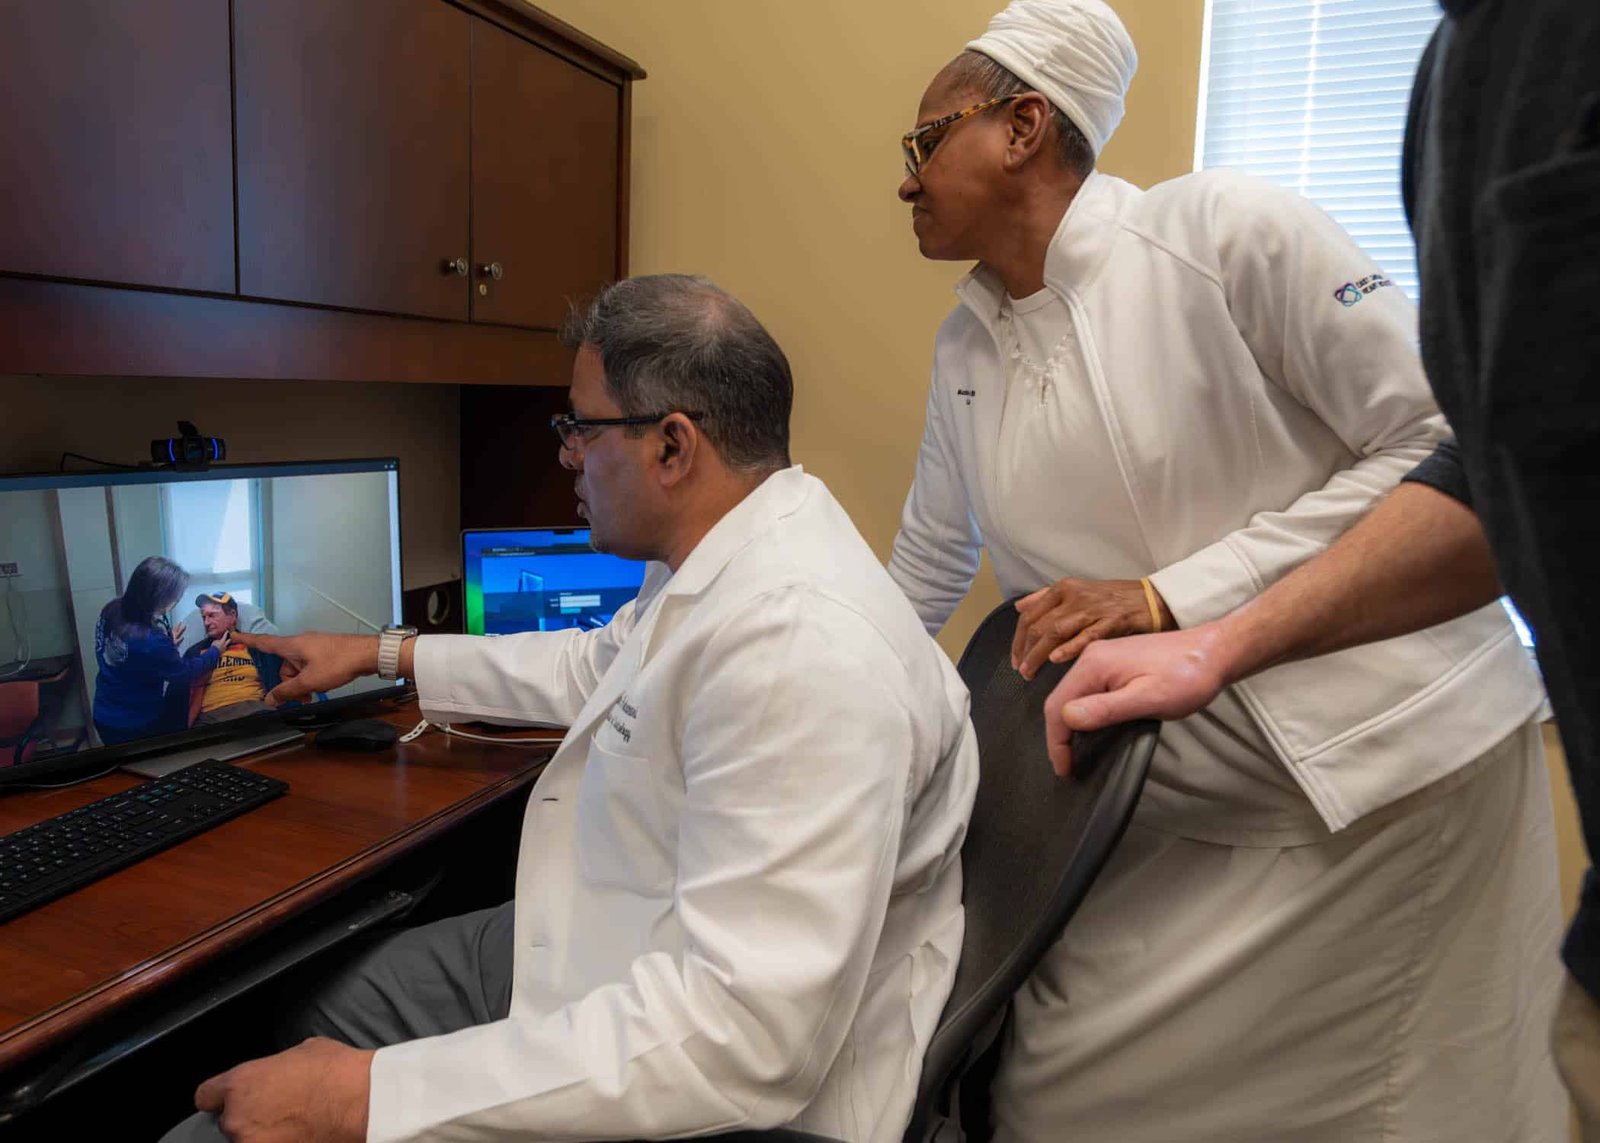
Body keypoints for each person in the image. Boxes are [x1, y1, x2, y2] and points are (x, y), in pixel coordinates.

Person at [887, 0, 1563, 1138]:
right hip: (1149, 805)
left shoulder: (1220, 234)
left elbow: (1445, 444)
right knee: (1053, 1095)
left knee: (1406, 1101)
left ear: (1021, 125)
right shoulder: (967, 344)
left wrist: (1172, 596)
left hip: (1374, 784)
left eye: (924, 141)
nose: (904, 180)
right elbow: (927, 565)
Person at [161, 274, 979, 1143]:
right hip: (631, 934)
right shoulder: (727, 553)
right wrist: (381, 652)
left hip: (724, 1082)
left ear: (673, 445)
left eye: (580, 428)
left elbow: (740, 1040)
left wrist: (363, 1098)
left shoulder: (803, 651)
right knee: (331, 999)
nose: (564, 455)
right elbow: (594, 663)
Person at [92, 556, 229, 746]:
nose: (178, 600)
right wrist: (214, 652)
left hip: (104, 710)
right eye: (176, 597)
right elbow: (184, 673)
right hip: (132, 723)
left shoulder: (112, 608)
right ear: (158, 597)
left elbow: (124, 655)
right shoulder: (151, 642)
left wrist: (165, 643)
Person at [183, 593, 285, 725]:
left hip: (254, 711)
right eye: (204, 617)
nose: (206, 622)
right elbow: (181, 693)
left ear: (232, 615)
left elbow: (281, 684)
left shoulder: (257, 646)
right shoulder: (195, 653)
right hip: (210, 719)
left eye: (212, 615)